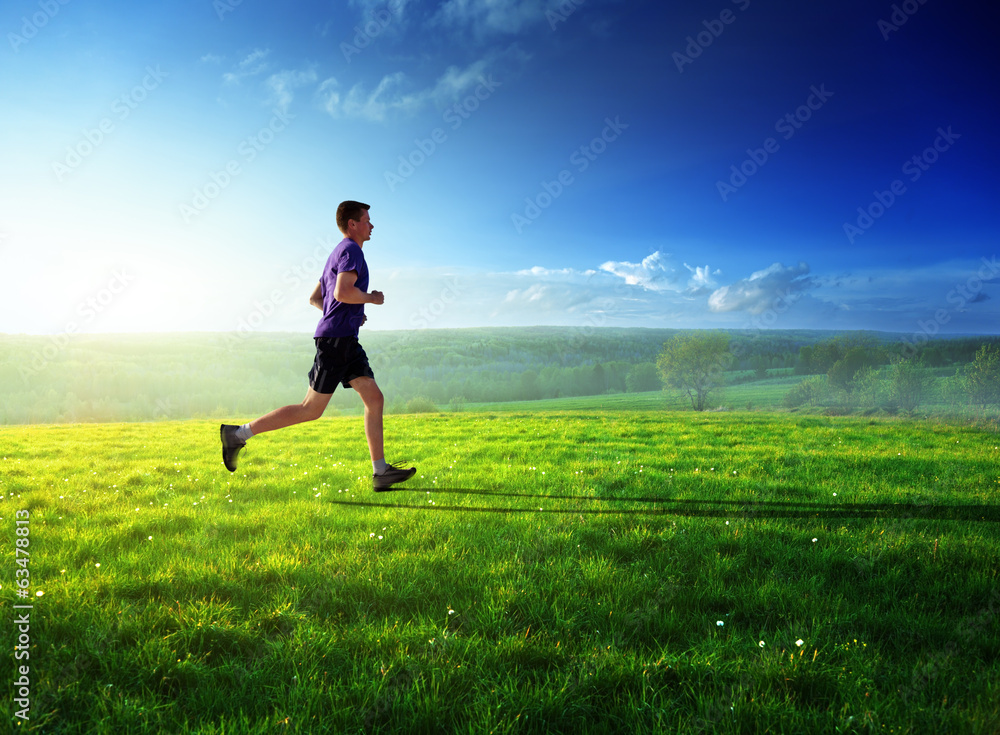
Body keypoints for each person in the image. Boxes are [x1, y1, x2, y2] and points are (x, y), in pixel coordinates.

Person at [220, 200, 416, 491]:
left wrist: (347, 312)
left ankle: (380, 472)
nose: (371, 225)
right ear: (353, 224)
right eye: (367, 220)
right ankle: (237, 435)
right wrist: (371, 299)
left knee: (374, 399)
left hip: (345, 339)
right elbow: (343, 291)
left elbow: (316, 298)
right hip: (336, 343)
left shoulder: (336, 254)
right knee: (310, 409)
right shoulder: (351, 251)